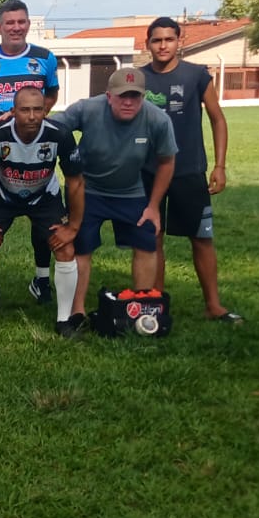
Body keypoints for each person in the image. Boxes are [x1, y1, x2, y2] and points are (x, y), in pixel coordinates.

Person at [56, 67, 177, 331]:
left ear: (143, 97)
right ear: (109, 95)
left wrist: (154, 206)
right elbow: (51, 128)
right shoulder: (87, 109)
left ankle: (143, 308)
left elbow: (167, 161)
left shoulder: (157, 119)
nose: (128, 102)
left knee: (147, 241)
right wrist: (16, 120)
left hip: (130, 191)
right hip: (88, 190)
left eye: (135, 96)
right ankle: (77, 311)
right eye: (122, 96)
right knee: (81, 247)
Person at [141, 17, 242, 323]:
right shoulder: (137, 78)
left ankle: (214, 305)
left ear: (179, 41)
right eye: (157, 40)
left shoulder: (196, 75)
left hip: (188, 170)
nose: (163, 46)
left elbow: (217, 119)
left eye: (168, 39)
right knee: (152, 237)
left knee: (201, 238)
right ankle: (156, 303)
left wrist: (220, 166)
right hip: (148, 171)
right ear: (148, 44)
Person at [0, 87, 84, 338]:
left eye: (37, 109)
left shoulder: (61, 135)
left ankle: (64, 321)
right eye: (25, 110)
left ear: (46, 111)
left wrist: (72, 227)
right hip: (2, 196)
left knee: (66, 248)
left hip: (44, 196)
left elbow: (75, 182)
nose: (31, 116)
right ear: (14, 111)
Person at [0, 0, 60, 305]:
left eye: (21, 22)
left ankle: (42, 280)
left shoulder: (44, 58)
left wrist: (30, 117)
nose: (16, 27)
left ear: (28, 25)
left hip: (34, 144)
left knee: (42, 214)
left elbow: (51, 93)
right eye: (10, 22)